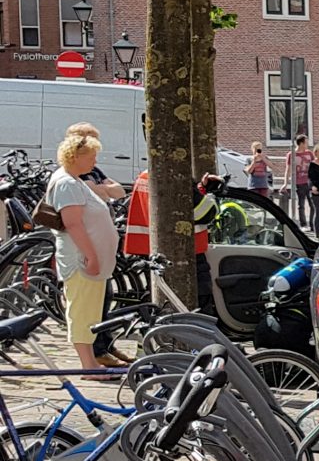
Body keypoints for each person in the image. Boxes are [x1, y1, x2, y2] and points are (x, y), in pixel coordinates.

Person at [47, 132, 118, 371]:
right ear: (75, 156)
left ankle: (90, 362)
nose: (95, 162)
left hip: (85, 258)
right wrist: (92, 256)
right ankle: (88, 365)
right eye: (91, 156)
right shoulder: (67, 184)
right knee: (82, 310)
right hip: (80, 259)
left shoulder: (73, 180)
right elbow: (73, 223)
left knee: (88, 310)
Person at [124, 169, 219, 313]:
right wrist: (213, 195)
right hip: (185, 253)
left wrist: (201, 188)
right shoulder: (175, 175)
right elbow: (205, 212)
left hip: (152, 252)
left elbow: (178, 205)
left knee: (161, 305)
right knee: (199, 308)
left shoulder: (146, 175)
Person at [285, 134, 312, 226]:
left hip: (309, 181)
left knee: (312, 204)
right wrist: (285, 183)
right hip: (299, 182)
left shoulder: (309, 153)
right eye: (306, 142)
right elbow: (288, 169)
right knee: (301, 204)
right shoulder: (291, 154)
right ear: (301, 143)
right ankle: (303, 224)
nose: (307, 144)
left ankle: (312, 225)